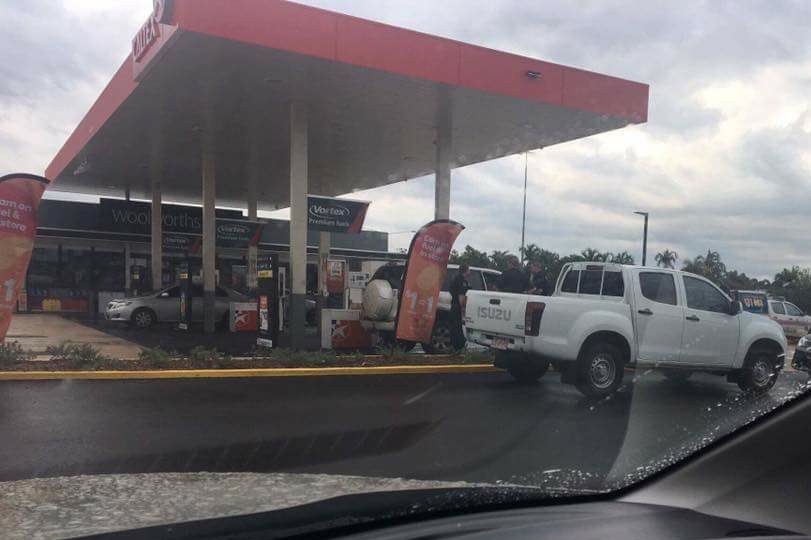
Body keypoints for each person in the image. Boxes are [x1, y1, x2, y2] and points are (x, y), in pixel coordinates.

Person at [449, 264, 471, 350]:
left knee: (454, 328)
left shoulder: (454, 279)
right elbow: (461, 296)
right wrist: (463, 308)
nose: (470, 271)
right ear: (465, 270)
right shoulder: (462, 281)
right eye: (469, 270)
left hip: (453, 305)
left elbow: (451, 291)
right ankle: (459, 348)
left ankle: (455, 347)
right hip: (458, 307)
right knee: (458, 328)